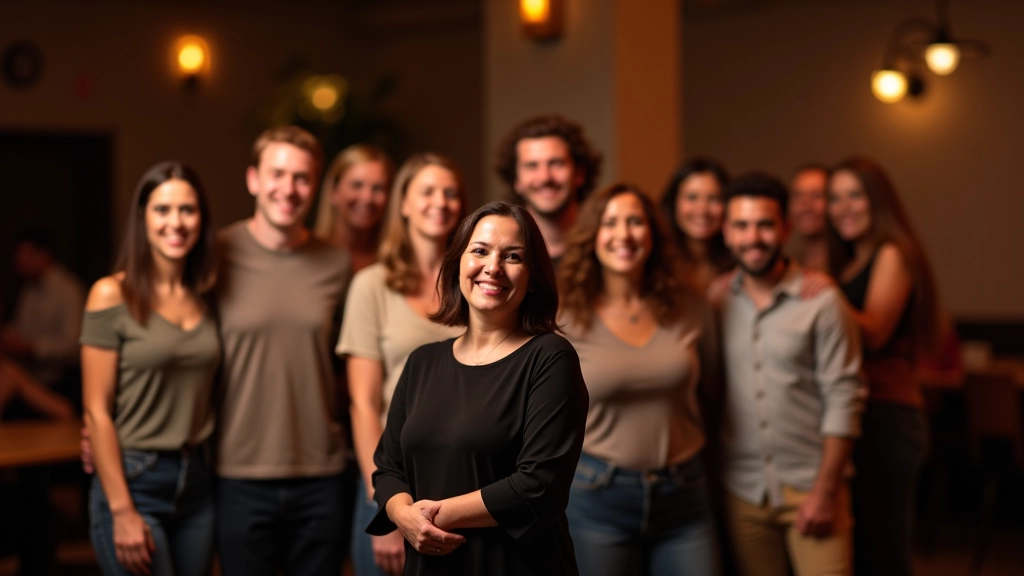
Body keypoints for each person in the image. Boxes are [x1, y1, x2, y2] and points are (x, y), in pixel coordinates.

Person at [367, 201, 589, 575]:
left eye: (513, 256)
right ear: (457, 265)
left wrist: (428, 518)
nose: (493, 267)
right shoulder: (422, 362)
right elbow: (388, 468)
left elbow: (539, 485)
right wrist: (401, 514)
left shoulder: (550, 358)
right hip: (430, 566)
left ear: (533, 276)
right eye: (480, 251)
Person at [557, 183, 721, 575]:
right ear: (592, 236)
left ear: (653, 234)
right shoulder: (563, 312)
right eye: (610, 223)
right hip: (598, 496)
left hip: (685, 495)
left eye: (635, 222)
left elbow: (715, 391)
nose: (624, 234)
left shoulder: (690, 303)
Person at [214, 126, 351, 576]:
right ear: (253, 179)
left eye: (302, 178)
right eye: (277, 174)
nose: (288, 189)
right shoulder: (214, 254)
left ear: (316, 187)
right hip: (237, 472)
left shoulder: (337, 263)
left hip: (322, 473)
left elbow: (352, 368)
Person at [719, 173, 865, 576]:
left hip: (812, 485)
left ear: (785, 228)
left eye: (765, 224)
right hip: (742, 492)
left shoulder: (823, 301)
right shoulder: (714, 301)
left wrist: (825, 491)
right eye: (742, 226)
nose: (754, 237)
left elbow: (844, 397)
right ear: (727, 232)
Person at [81, 161, 219, 576]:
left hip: (197, 480)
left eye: (187, 210)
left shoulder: (208, 295)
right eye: (162, 209)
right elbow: (97, 410)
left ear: (201, 220)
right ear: (142, 217)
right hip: (134, 478)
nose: (175, 222)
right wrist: (122, 510)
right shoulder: (111, 293)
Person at [337, 152, 469, 576]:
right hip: (394, 480)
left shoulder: (475, 282)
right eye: (427, 191)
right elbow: (362, 403)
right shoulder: (371, 285)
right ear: (405, 204)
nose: (440, 202)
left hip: (467, 482)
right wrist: (387, 508)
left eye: (450, 193)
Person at [826, 157, 941, 576]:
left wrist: (823, 293)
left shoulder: (893, 253)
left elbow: (874, 331)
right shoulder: (851, 260)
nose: (844, 207)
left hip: (889, 417)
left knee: (884, 552)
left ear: (878, 201)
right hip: (862, 415)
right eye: (834, 198)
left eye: (855, 195)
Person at [495, 115, 603, 264]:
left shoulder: (607, 249)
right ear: (516, 179)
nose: (545, 177)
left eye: (556, 163)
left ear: (579, 173)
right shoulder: (498, 255)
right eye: (532, 166)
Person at [2, 229, 86, 390]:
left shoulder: (68, 290)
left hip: (61, 381)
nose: (20, 261)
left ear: (44, 255)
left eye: (26, 255)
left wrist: (31, 348)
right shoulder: (29, 288)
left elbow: (73, 346)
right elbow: (23, 328)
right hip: (30, 376)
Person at [313, 144, 394, 275]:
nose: (367, 198)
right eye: (357, 185)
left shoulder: (396, 264)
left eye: (378, 188)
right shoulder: (309, 256)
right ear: (334, 191)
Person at [659, 157, 734, 292]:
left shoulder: (740, 264)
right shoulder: (657, 264)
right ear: (674, 202)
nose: (702, 210)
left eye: (714, 198)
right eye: (692, 197)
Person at [786, 164, 830, 272]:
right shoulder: (787, 267)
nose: (805, 205)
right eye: (797, 195)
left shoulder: (853, 267)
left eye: (817, 195)